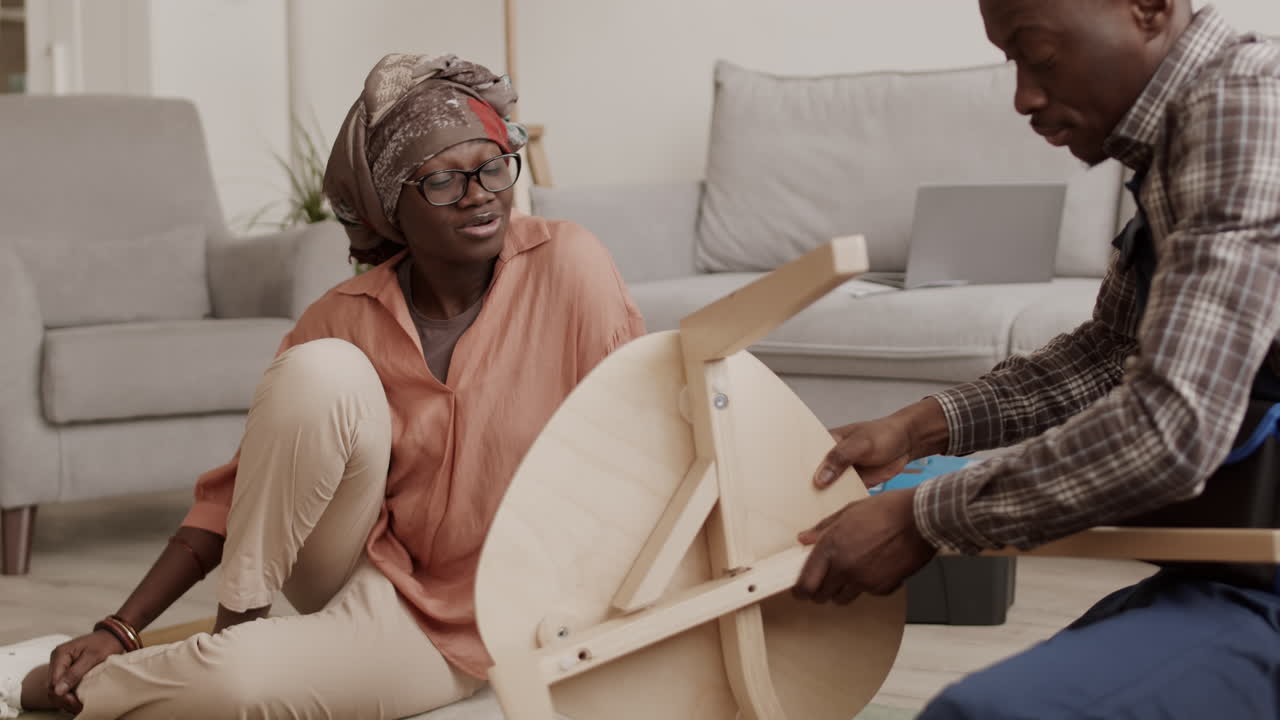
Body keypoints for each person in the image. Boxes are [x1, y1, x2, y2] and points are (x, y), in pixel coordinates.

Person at [2, 52, 644, 719]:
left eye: (490, 168)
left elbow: (639, 438)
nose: (480, 193)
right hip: (376, 577)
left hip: (513, 610)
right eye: (444, 182)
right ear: (394, 203)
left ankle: (54, 686)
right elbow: (237, 494)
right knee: (321, 370)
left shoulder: (567, 265)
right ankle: (238, 625)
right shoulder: (344, 315)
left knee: (240, 689)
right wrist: (120, 624)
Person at [792, 1, 1280, 716]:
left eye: (1039, 55)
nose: (1023, 95)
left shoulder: (1245, 107)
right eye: (1011, 62)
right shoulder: (1173, 142)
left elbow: (1169, 429)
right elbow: (1108, 356)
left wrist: (922, 519)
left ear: (1148, 9)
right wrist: (920, 425)